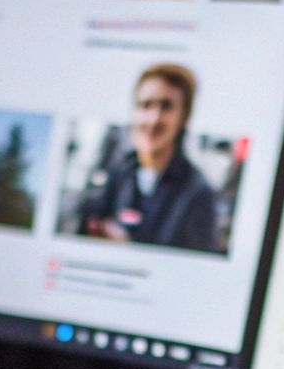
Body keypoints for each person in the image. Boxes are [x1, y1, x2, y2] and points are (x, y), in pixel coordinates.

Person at [74, 64, 219, 253]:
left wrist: (129, 248)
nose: (153, 119)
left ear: (184, 117)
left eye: (166, 106)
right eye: (145, 105)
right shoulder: (114, 174)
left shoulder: (198, 194)